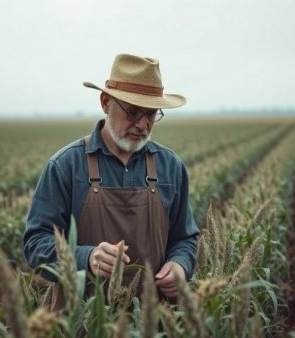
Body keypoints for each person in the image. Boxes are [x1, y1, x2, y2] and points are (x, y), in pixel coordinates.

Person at [23, 53, 199, 307]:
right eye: (133, 112)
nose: (142, 124)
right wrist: (85, 257)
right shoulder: (65, 166)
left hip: (153, 322)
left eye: (151, 115)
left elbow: (185, 238)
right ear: (106, 103)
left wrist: (180, 265)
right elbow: (35, 244)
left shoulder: (171, 167)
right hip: (82, 321)